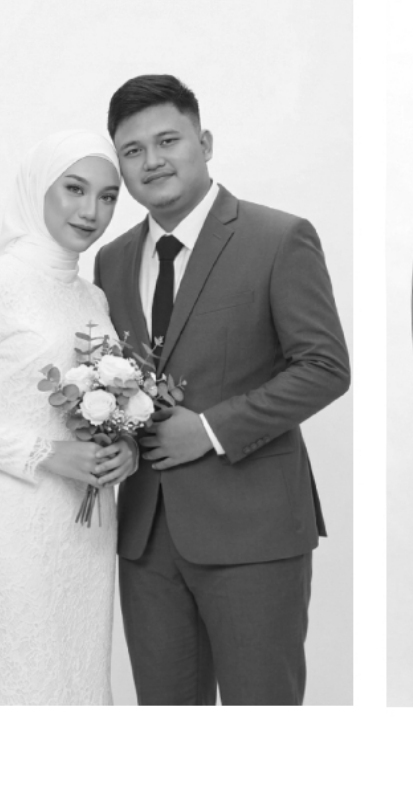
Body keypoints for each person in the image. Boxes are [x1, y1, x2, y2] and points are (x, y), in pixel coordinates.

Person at [94, 75, 350, 705]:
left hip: (253, 530)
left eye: (168, 140)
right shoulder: (111, 260)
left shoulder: (278, 237)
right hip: (146, 536)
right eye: (132, 151)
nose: (152, 161)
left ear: (204, 143)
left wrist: (210, 429)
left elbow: (325, 366)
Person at [0, 130, 135, 704]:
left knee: (80, 680)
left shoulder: (92, 298)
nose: (91, 211)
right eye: (74, 189)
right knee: (25, 679)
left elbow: (106, 405)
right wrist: (47, 454)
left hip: (89, 524)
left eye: (108, 196)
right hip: (14, 520)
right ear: (37, 188)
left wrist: (125, 449)